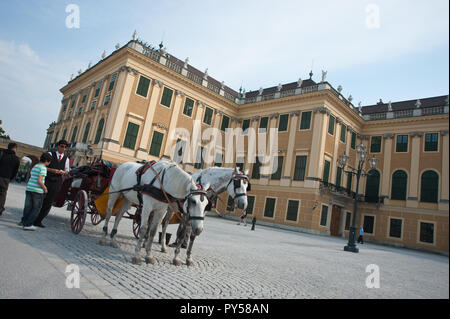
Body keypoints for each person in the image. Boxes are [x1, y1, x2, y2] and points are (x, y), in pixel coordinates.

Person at [33, 140, 70, 227]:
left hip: (57, 182)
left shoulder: (66, 159)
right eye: (62, 146)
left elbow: (67, 171)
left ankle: (39, 220)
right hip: (46, 179)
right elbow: (43, 165)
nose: (63, 148)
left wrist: (63, 172)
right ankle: (32, 217)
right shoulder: (50, 154)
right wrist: (52, 170)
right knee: (39, 199)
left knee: (49, 202)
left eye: (65, 147)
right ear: (58, 146)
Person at [20, 153, 52, 230]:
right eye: (49, 162)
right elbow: (40, 181)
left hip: (29, 188)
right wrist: (45, 188)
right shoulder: (43, 168)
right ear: (47, 161)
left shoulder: (35, 166)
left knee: (28, 207)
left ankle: (24, 222)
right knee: (36, 208)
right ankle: (28, 224)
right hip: (37, 191)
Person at [0, 142, 20, 215]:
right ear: (15, 149)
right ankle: (0, 208)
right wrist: (10, 178)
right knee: (2, 194)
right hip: (6, 178)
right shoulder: (16, 159)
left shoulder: (1, 154)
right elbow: (15, 171)